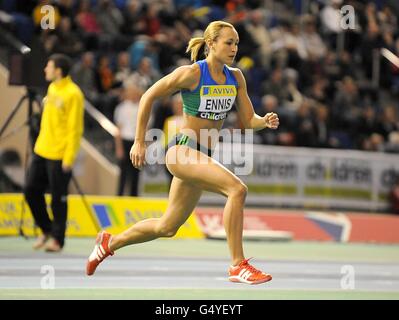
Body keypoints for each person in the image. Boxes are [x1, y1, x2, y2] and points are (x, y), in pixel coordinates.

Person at [86, 21, 279, 284]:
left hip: (202, 155)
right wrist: (139, 141)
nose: (234, 48)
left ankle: (109, 242)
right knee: (237, 189)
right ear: (211, 44)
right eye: (228, 42)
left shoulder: (236, 77)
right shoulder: (192, 73)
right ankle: (238, 265)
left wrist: (263, 121)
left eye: (236, 43)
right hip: (181, 151)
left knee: (167, 227)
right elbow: (148, 96)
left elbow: (248, 120)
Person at [24, 53, 84, 252]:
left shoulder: (73, 93)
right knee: (31, 191)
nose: (45, 70)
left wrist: (69, 158)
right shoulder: (51, 88)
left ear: (58, 70)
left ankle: (58, 239)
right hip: (41, 150)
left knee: (58, 198)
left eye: (48, 66)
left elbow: (75, 129)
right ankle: (46, 229)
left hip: (60, 155)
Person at [114, 83, 143, 196]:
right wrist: (119, 147)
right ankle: (119, 196)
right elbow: (118, 129)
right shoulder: (121, 108)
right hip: (125, 140)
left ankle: (134, 197)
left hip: (136, 141)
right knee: (123, 172)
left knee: (136, 172)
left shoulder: (141, 107)